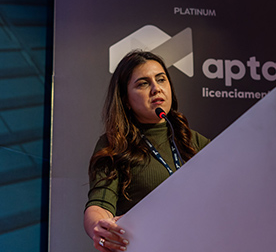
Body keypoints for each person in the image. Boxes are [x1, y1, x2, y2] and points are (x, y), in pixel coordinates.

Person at [84, 50, 210, 251]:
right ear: (126, 99)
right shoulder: (115, 144)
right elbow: (100, 204)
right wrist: (98, 227)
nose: (156, 89)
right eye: (143, 84)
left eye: (161, 79)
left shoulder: (192, 140)